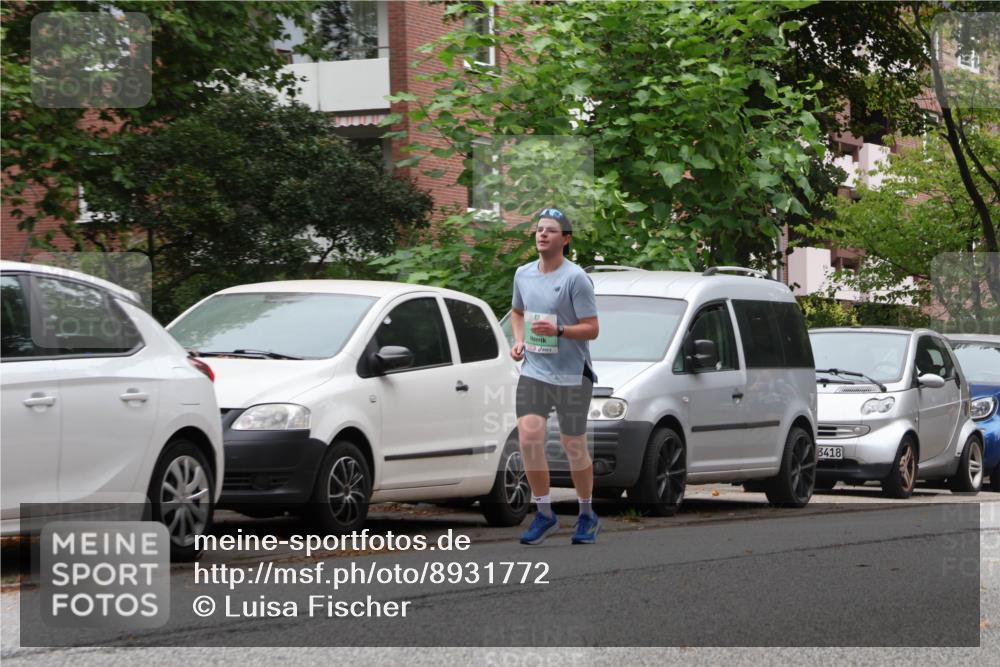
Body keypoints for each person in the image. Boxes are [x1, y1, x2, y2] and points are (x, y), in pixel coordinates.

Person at [510, 207, 600, 545]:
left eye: (550, 230)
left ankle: (587, 513)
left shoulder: (576, 278)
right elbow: (517, 312)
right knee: (529, 437)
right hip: (535, 370)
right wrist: (519, 341)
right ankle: (544, 512)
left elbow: (592, 329)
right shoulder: (523, 274)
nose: (542, 234)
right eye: (538, 229)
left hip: (572, 373)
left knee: (573, 444)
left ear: (565, 239)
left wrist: (560, 329)